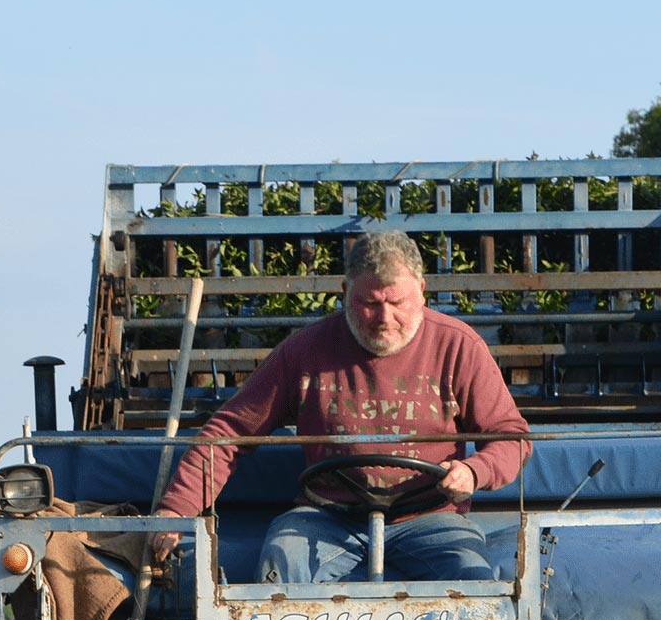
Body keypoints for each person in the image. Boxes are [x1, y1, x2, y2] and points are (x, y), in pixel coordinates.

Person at [147, 231, 530, 581]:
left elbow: (512, 438)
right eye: (368, 303)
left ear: (422, 291)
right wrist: (175, 510)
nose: (384, 318)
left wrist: (473, 472)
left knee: (474, 583)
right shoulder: (304, 351)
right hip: (327, 520)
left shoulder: (458, 346)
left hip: (430, 519)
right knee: (282, 565)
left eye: (397, 302)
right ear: (344, 291)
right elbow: (230, 433)